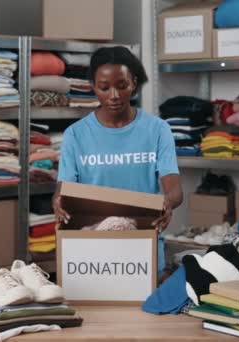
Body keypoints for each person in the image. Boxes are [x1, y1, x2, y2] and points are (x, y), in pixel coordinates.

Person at [52, 46, 183, 276]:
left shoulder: (157, 130)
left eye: (121, 86)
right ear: (93, 86)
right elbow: (64, 191)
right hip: (92, 253)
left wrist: (167, 202)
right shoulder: (76, 134)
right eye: (104, 87)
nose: (114, 95)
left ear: (133, 82)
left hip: (144, 249)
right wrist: (58, 202)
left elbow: (174, 190)